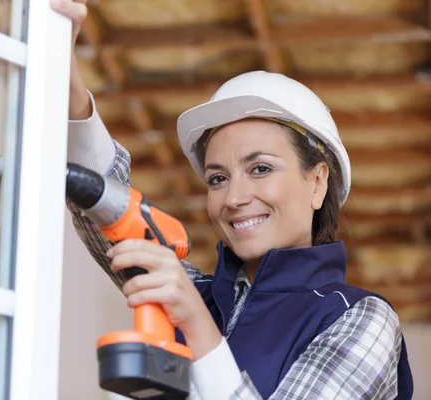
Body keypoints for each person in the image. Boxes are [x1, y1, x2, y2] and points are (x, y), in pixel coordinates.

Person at [51, 0, 415, 398]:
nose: (234, 198)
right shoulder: (197, 297)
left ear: (318, 182)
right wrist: (65, 80)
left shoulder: (359, 319)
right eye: (218, 178)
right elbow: (111, 212)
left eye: (260, 169)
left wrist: (198, 328)